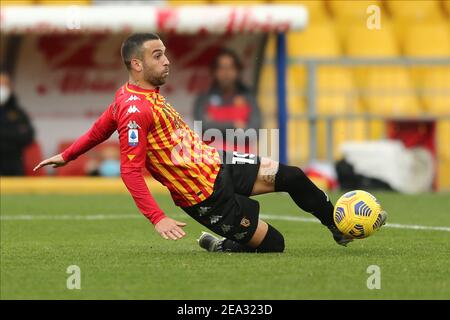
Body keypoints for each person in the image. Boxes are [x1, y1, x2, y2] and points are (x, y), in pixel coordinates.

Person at [34, 33, 352, 253]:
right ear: (137, 65)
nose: (167, 61)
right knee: (275, 244)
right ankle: (223, 244)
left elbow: (100, 127)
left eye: (165, 53)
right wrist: (157, 218)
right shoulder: (136, 110)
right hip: (204, 196)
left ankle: (337, 224)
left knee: (293, 175)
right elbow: (130, 171)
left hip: (218, 163)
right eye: (157, 56)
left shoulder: (130, 96)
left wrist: (66, 154)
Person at [193, 48, 261, 153]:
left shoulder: (248, 98)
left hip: (243, 162)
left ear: (238, 71)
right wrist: (235, 125)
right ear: (214, 72)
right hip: (212, 163)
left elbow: (254, 132)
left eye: (230, 68)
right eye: (222, 68)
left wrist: (216, 126)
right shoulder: (203, 99)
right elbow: (203, 127)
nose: (226, 73)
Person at [0, 68, 35, 176]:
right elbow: (19, 133)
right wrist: (13, 133)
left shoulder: (18, 113)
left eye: (5, 84)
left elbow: (28, 136)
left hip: (13, 164)